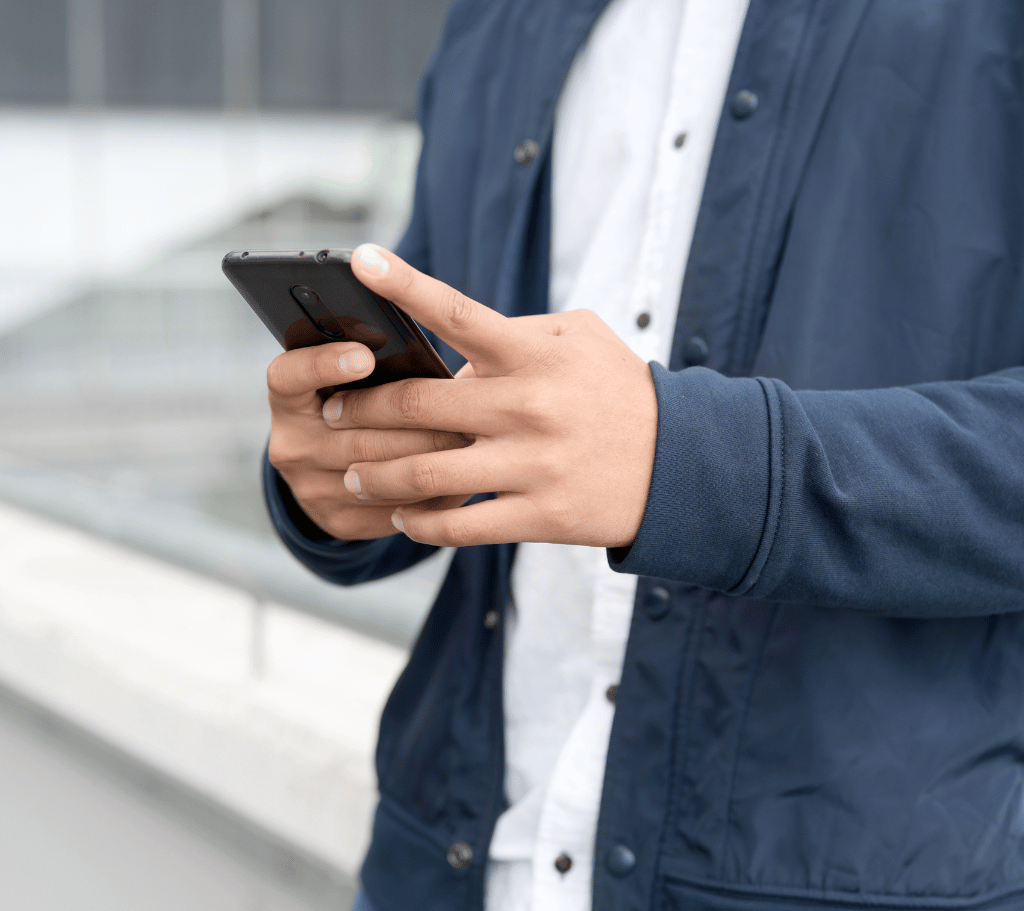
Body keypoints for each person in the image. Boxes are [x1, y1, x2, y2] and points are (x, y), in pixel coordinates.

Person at [263, 1, 1024, 910]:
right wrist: (343, 475)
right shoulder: (495, 18)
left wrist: (693, 464)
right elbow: (443, 366)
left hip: (844, 879)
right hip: (444, 861)